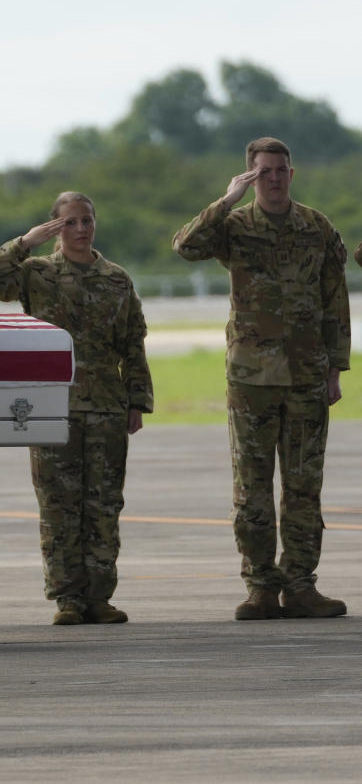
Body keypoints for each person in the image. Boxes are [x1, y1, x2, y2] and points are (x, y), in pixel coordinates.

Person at [173, 137, 350, 620]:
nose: (274, 178)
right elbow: (186, 246)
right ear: (250, 175)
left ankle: (300, 585)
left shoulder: (316, 228)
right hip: (252, 378)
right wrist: (226, 200)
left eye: (281, 170)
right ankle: (260, 587)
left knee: (304, 487)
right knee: (251, 490)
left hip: (308, 376)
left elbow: (335, 300)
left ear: (292, 173)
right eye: (264, 171)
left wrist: (337, 368)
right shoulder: (234, 225)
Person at [0, 192, 152, 626]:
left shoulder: (117, 279)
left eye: (86, 220)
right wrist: (26, 242)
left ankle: (99, 596)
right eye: (69, 222)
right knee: (58, 504)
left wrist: (137, 400)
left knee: (104, 504)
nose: (80, 229)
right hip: (51, 405)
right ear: (55, 227)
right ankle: (67, 598)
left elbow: (132, 343)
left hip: (106, 406)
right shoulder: (36, 274)